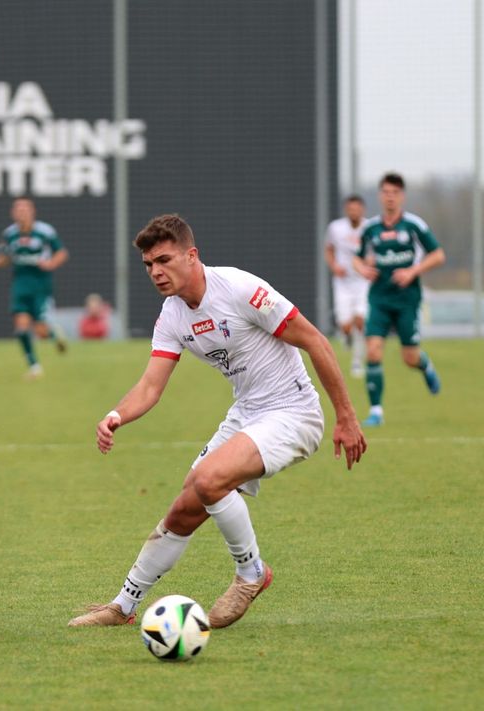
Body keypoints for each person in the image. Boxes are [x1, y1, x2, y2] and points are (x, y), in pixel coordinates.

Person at [68, 214, 366, 630]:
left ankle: (251, 574)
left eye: (164, 260)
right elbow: (151, 386)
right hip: (247, 413)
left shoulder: (241, 289)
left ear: (192, 256)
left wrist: (347, 417)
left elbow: (315, 339)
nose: (156, 272)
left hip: (293, 412)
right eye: (149, 265)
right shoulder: (172, 315)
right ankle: (122, 606)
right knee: (185, 508)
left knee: (209, 481)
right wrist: (117, 415)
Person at [351, 172, 446, 427]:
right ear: (380, 196)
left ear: (401, 196)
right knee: (373, 351)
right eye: (385, 192)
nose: (390, 197)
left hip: (407, 300)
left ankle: (425, 367)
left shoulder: (413, 225)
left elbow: (438, 255)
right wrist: (361, 269)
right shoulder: (371, 229)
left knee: (409, 358)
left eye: (394, 193)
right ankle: (376, 412)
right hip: (379, 299)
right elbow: (356, 258)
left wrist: (412, 271)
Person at [0, 197, 69, 378]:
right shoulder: (9, 234)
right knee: (21, 328)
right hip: (20, 284)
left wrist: (51, 263)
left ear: (32, 212)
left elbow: (62, 252)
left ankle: (54, 334)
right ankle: (34, 367)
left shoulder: (45, 231)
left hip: (40, 285)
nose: (21, 213)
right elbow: (6, 257)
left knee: (40, 331)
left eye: (25, 209)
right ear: (13, 213)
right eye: (18, 210)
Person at [324, 194, 370, 378]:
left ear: (362, 210)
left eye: (357, 208)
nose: (354, 212)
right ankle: (347, 336)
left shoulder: (369, 228)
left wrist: (369, 265)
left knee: (360, 320)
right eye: (350, 208)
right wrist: (334, 266)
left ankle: (357, 362)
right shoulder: (336, 228)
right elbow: (328, 250)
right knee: (345, 325)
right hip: (343, 283)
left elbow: (375, 252)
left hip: (362, 282)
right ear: (346, 210)